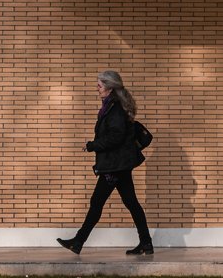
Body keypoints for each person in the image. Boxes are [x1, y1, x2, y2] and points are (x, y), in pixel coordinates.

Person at [57, 69, 154, 256]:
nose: (97, 88)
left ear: (109, 87)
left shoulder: (115, 109)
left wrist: (92, 145)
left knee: (97, 201)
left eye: (99, 85)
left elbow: (115, 137)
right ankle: (146, 243)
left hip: (115, 166)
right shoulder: (112, 107)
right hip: (119, 164)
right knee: (131, 203)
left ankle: (78, 242)